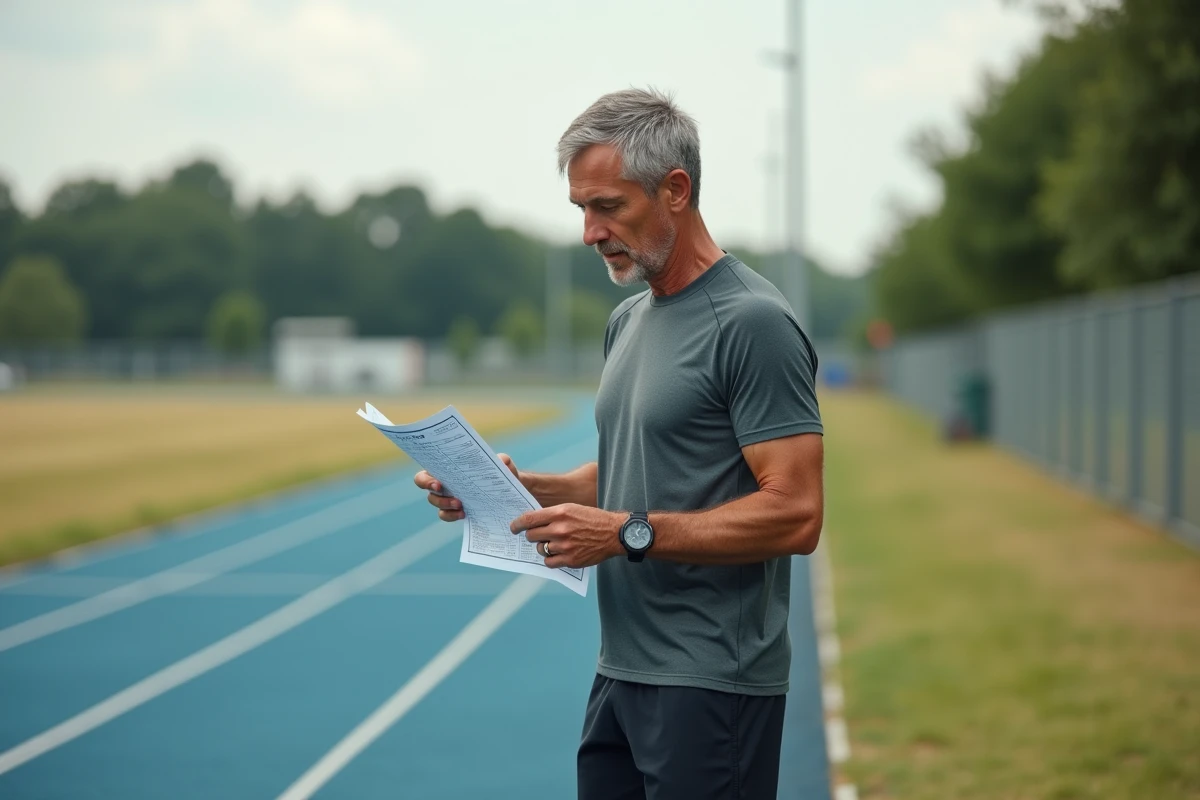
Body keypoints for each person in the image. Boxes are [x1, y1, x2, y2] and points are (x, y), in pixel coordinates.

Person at [415, 88, 824, 800]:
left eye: (608, 207)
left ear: (675, 190)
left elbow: (796, 513)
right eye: (581, 209)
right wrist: (506, 486)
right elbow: (641, 474)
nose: (590, 232)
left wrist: (626, 534)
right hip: (621, 675)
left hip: (711, 685)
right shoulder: (629, 320)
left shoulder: (752, 323)